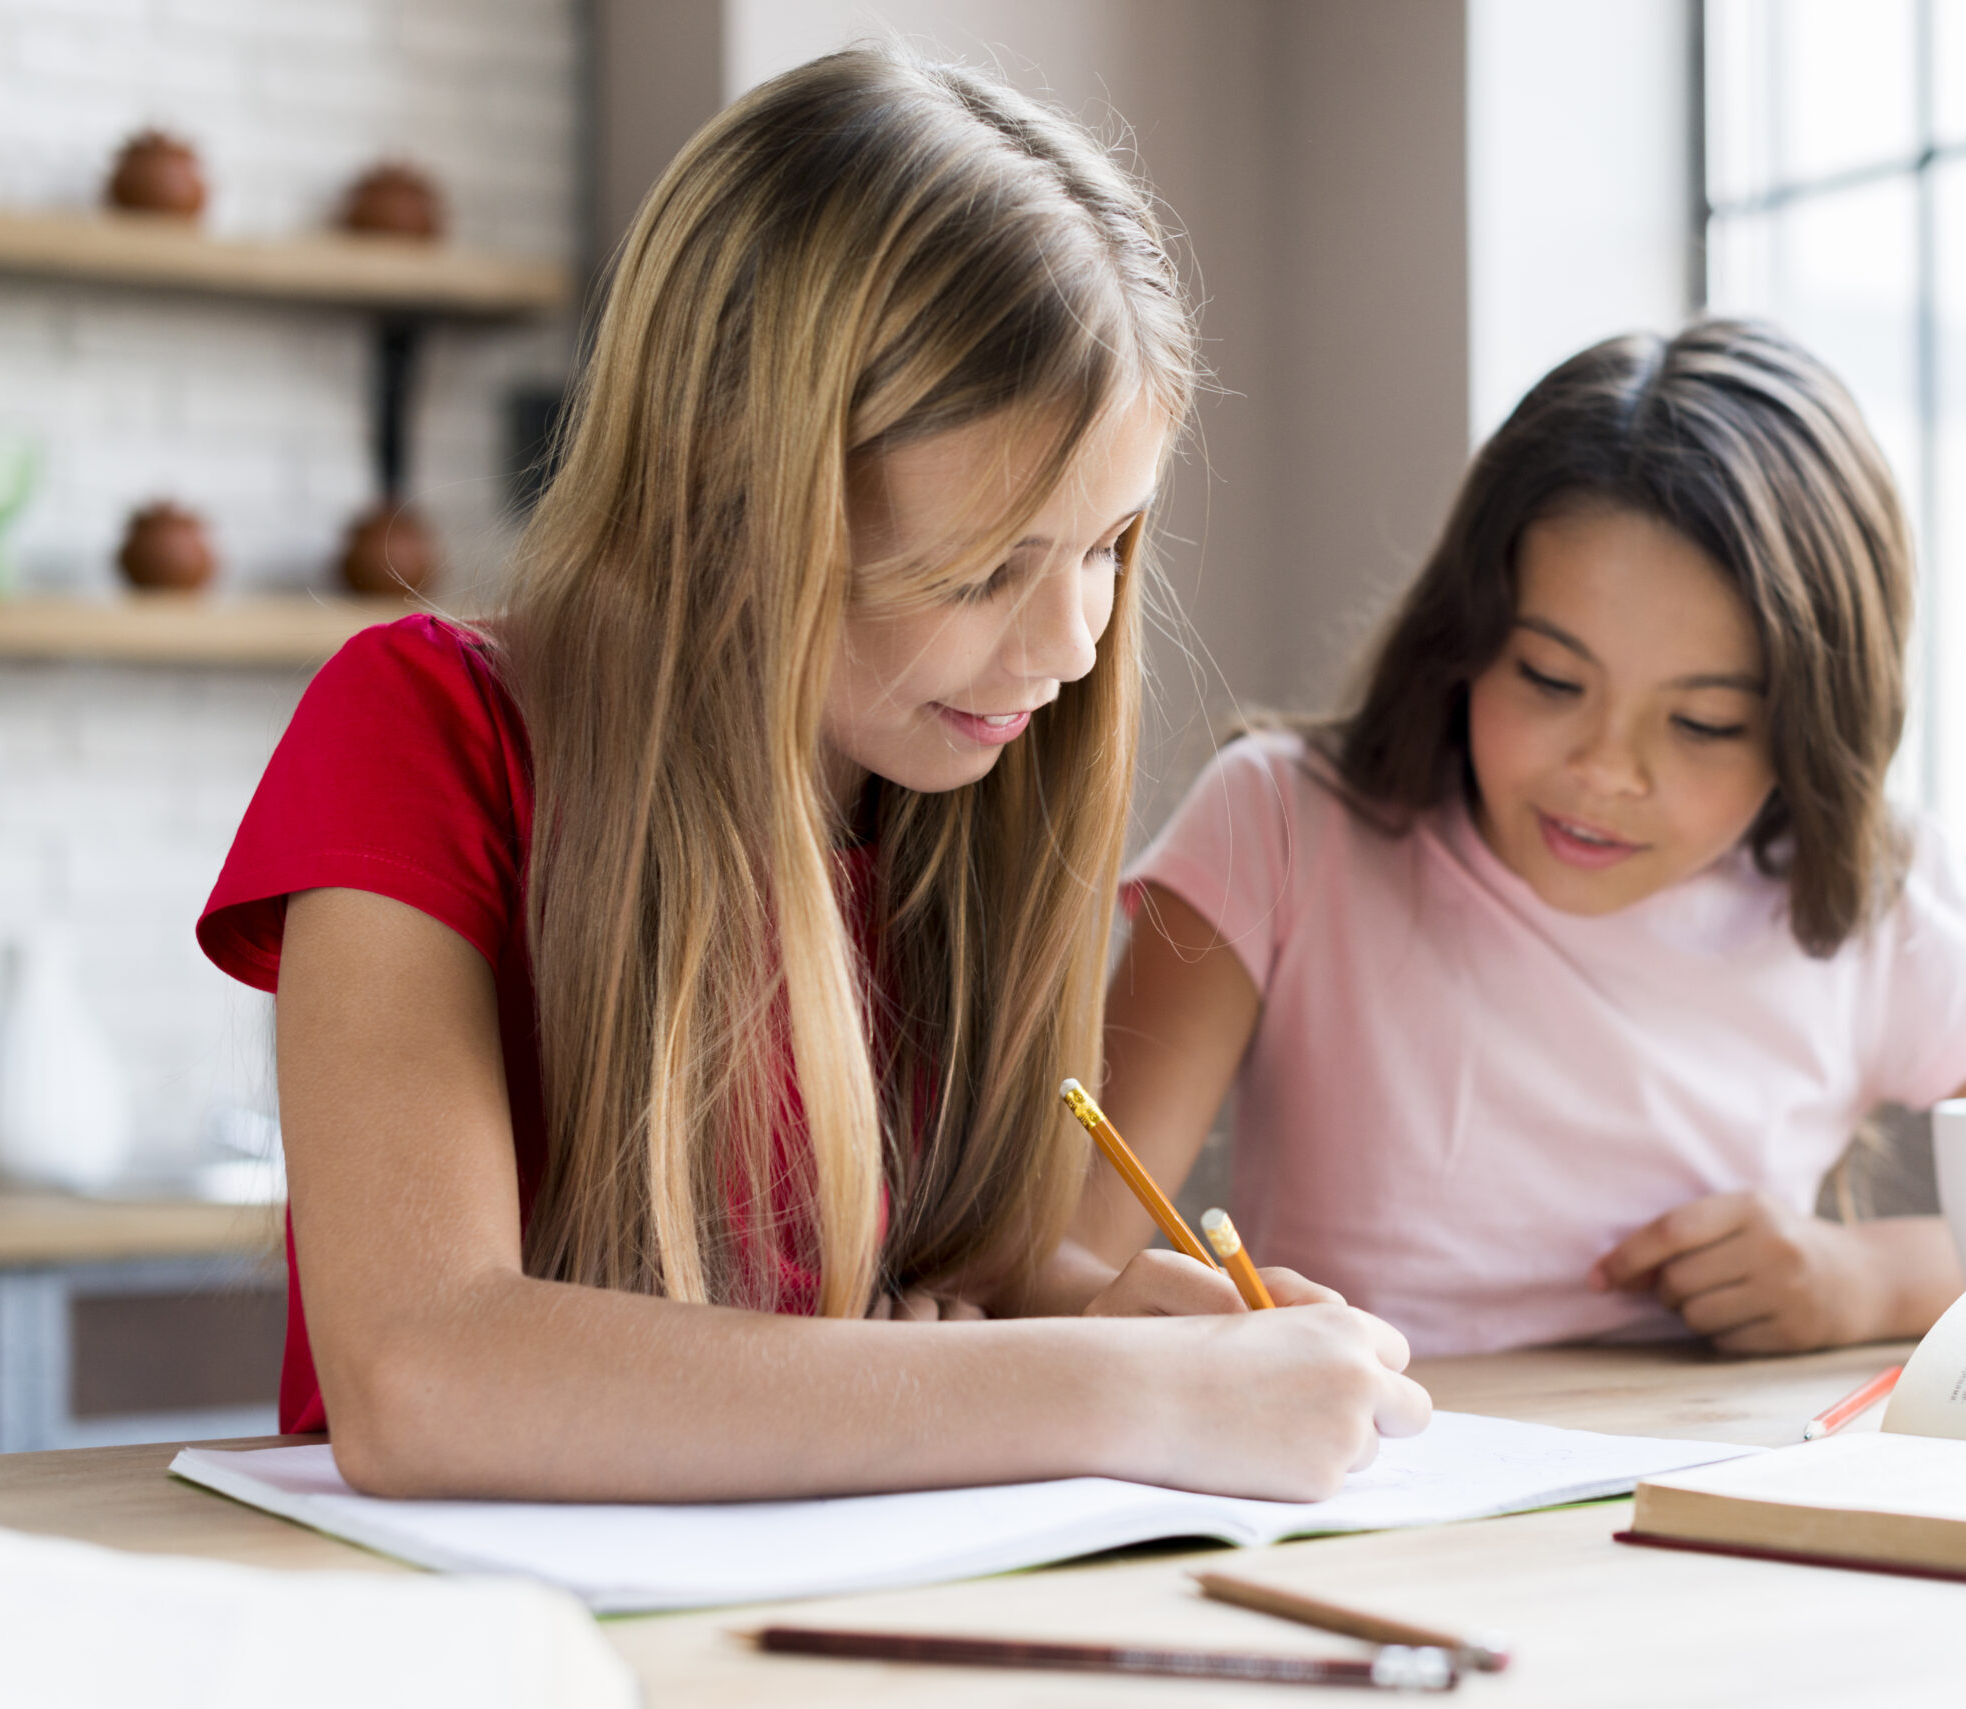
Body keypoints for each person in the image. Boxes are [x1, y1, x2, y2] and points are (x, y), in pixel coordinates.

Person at [195, 49, 1425, 1503]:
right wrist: (1111, 1385)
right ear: (731, 503)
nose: (1076, 646)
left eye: (1109, 548)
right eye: (983, 570)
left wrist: (1103, 1315)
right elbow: (422, 1373)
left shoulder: (940, 785)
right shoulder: (425, 727)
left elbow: (967, 1262)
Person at [1071, 321, 1966, 1359]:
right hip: (1381, 1480)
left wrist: (1873, 1280)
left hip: (1712, 1499)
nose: (1605, 769)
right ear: (1467, 636)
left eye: (1702, 722)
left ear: (1807, 730)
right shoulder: (1284, 822)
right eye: (1549, 677)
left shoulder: (1868, 897)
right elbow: (1066, 1249)